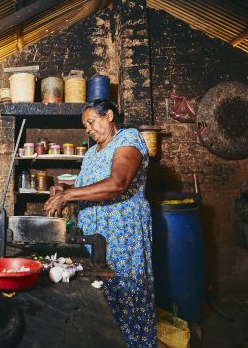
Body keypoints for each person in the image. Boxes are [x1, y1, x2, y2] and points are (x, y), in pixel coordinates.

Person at [44, 99, 156, 348]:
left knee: (126, 293)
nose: (88, 129)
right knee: (97, 297)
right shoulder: (91, 152)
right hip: (94, 236)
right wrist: (64, 187)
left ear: (109, 115)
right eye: (85, 125)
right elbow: (86, 184)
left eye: (92, 122)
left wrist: (68, 196)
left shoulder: (128, 139)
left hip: (122, 233)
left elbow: (118, 182)